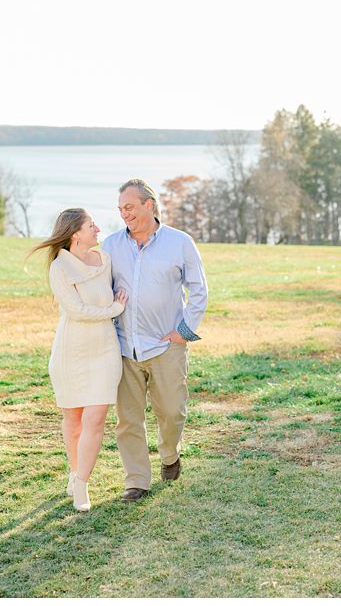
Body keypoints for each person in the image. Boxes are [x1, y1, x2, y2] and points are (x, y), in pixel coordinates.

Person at [104, 180, 208, 501]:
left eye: (130, 207)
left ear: (149, 205)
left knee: (172, 411)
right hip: (124, 348)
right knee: (128, 419)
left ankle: (169, 455)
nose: (124, 214)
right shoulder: (110, 246)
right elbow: (99, 290)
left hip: (167, 346)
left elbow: (199, 289)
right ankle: (136, 480)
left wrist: (184, 331)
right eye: (121, 209)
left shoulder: (180, 243)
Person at [32, 208, 125, 512]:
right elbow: (77, 311)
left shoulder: (105, 260)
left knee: (95, 417)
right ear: (76, 234)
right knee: (73, 420)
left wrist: (114, 308)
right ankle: (74, 473)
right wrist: (113, 310)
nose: (97, 228)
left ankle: (82, 483)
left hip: (105, 350)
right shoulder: (59, 268)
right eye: (91, 225)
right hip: (72, 350)